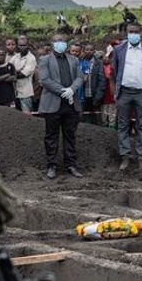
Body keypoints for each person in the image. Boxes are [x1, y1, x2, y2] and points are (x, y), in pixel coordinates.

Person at [37, 34, 84, 179]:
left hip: (70, 104)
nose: (60, 43)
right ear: (52, 44)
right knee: (51, 136)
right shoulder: (44, 60)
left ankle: (71, 165)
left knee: (70, 135)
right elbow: (45, 80)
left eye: (62, 41)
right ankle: (52, 165)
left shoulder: (74, 60)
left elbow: (79, 77)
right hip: (53, 103)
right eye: (57, 41)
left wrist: (72, 89)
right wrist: (62, 90)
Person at [112, 24, 142, 170]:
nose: (134, 34)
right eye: (131, 32)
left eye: (136, 32)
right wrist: (116, 91)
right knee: (123, 125)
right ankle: (125, 156)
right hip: (124, 91)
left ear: (141, 33)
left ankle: (141, 157)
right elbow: (115, 70)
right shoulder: (119, 50)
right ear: (127, 33)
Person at [9, 36, 38, 112]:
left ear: (28, 45)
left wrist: (12, 73)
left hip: (26, 93)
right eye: (20, 45)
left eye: (24, 45)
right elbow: (7, 69)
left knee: (26, 116)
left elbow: (22, 74)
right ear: (17, 46)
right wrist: (14, 72)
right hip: (15, 92)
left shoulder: (31, 58)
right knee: (15, 115)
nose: (22, 47)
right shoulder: (15, 57)